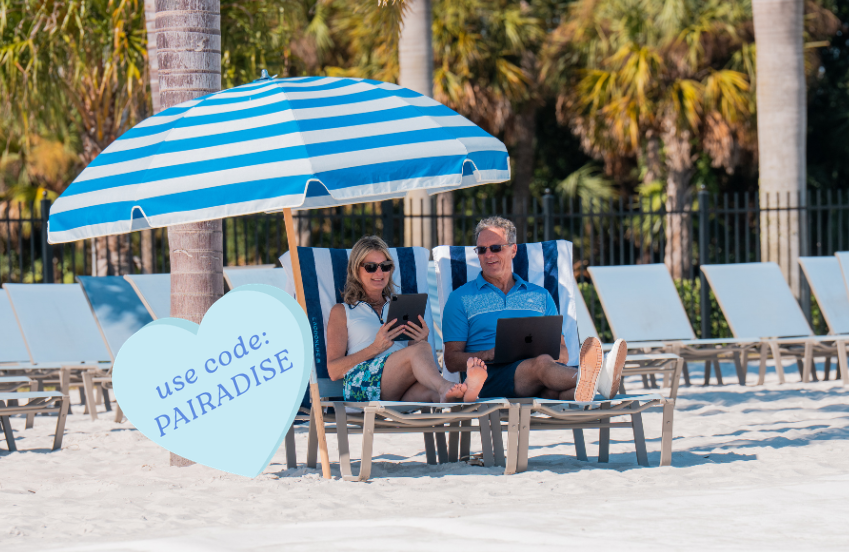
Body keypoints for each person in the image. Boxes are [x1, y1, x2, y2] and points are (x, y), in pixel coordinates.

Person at [442, 216, 627, 401]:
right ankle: (600, 379)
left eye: (496, 248)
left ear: (513, 249)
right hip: (488, 379)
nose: (488, 255)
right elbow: (451, 361)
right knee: (541, 364)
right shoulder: (461, 298)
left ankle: (587, 384)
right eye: (482, 250)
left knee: (554, 390)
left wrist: (541, 353)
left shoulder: (540, 295)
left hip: (539, 378)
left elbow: (563, 353)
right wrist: (487, 354)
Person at [327, 236, 488, 403]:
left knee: (434, 391)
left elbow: (412, 355)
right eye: (370, 267)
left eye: (385, 266)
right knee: (427, 364)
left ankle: (464, 393)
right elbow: (334, 370)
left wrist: (419, 340)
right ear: (356, 269)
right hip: (362, 386)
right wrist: (375, 348)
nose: (379, 273)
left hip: (397, 387)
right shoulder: (343, 311)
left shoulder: (400, 306)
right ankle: (445, 385)